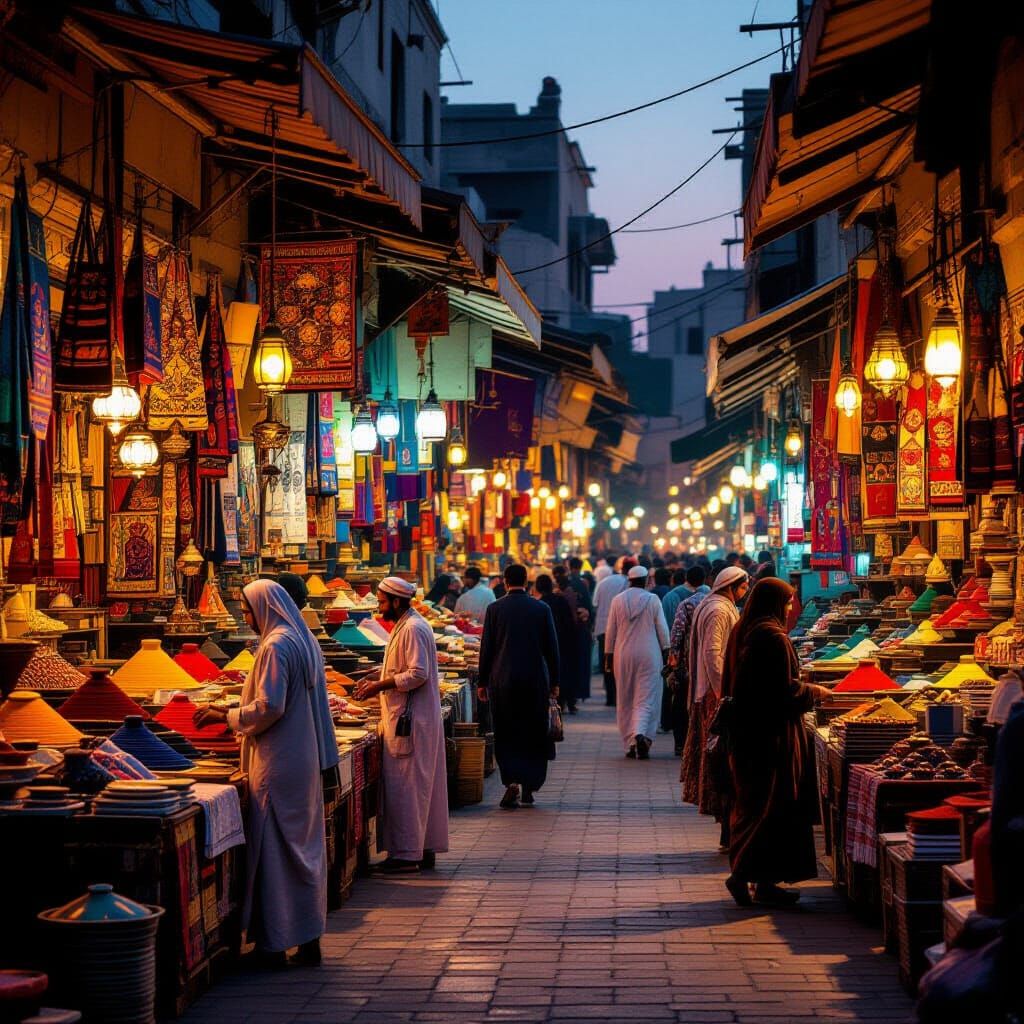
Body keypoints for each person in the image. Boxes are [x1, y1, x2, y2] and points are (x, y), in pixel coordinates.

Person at [194, 579, 339, 968]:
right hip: (302, 759)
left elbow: (270, 706)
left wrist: (224, 715)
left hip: (278, 763)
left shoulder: (275, 646)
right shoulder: (302, 639)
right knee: (304, 852)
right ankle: (308, 939)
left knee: (276, 854)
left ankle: (273, 944)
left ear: (263, 606)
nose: (245, 617)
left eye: (245, 610)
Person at [722, 578, 831, 907]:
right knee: (768, 807)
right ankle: (742, 875)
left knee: (754, 805)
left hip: (747, 734)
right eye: (787, 603)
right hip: (769, 738)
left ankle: (765, 883)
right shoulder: (772, 638)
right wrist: (816, 692)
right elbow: (784, 692)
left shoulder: (745, 629)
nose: (789, 609)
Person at [353, 577, 449, 872]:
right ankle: (422, 848)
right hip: (411, 718)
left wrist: (378, 685)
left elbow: (416, 674)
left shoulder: (413, 628)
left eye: (382, 602)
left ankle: (407, 856)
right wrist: (377, 672)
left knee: (407, 788)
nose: (380, 609)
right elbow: (403, 666)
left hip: (411, 721)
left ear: (396, 601)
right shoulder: (408, 625)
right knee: (418, 787)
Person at [478, 564, 560, 809]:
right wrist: (555, 682)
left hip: (502, 681)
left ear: (505, 581)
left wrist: (482, 681)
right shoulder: (541, 608)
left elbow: (487, 649)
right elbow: (552, 649)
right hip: (535, 680)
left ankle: (511, 780)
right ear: (528, 582)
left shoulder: (494, 609)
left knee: (507, 730)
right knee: (533, 731)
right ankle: (529, 786)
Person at [681, 565, 749, 850]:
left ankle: (728, 826)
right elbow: (712, 654)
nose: (745, 592)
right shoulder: (720, 610)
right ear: (732, 586)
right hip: (713, 695)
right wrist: (725, 690)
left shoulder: (711, 605)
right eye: (743, 587)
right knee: (722, 761)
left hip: (709, 692)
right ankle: (727, 826)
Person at [604, 565, 670, 760]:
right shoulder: (653, 600)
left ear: (629, 580)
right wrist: (668, 653)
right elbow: (663, 631)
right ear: (646, 581)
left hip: (623, 654)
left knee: (625, 697)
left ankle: (630, 743)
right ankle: (641, 734)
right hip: (649, 654)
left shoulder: (617, 600)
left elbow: (611, 631)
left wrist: (608, 657)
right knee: (646, 696)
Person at [666, 566, 711, 754]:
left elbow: (676, 634)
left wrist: (673, 660)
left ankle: (681, 743)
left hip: (687, 664)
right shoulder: (714, 601)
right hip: (709, 663)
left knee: (682, 702)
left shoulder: (685, 603)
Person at [535, 574, 577, 714]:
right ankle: (569, 702)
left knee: (551, 672)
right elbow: (570, 623)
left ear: (538, 588)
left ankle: (553, 700)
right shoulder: (560, 601)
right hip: (564, 643)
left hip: (546, 646)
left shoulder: (539, 605)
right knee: (565, 672)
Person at [593, 557, 631, 707]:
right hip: (621, 630)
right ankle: (621, 696)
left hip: (603, 628)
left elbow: (595, 603)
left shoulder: (604, 582)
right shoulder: (629, 585)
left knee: (607, 664)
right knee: (621, 664)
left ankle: (611, 697)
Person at [566, 557, 595, 701]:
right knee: (581, 662)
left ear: (569, 566)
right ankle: (579, 693)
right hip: (581, 627)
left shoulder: (566, 583)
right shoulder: (583, 583)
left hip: (566, 629)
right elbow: (589, 607)